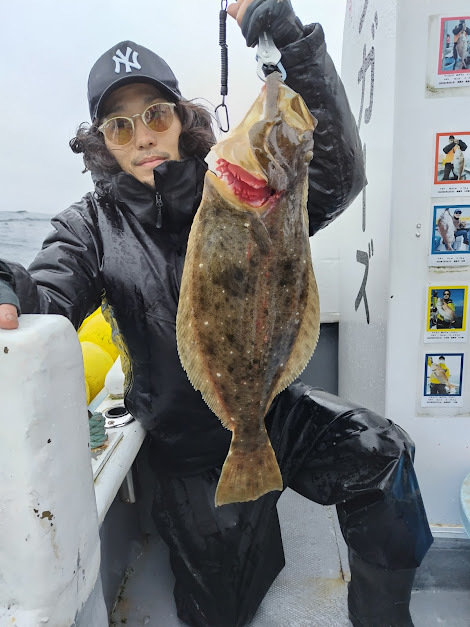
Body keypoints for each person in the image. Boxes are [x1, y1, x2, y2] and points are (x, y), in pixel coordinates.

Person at [0, 1, 432, 625]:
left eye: (155, 114)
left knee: (383, 455)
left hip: (269, 404)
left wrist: (289, 38)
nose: (143, 136)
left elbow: (338, 174)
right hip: (188, 445)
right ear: (102, 142)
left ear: (181, 117)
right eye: (119, 126)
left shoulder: (241, 185)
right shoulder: (89, 226)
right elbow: (49, 292)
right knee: (222, 608)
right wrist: (10, 285)